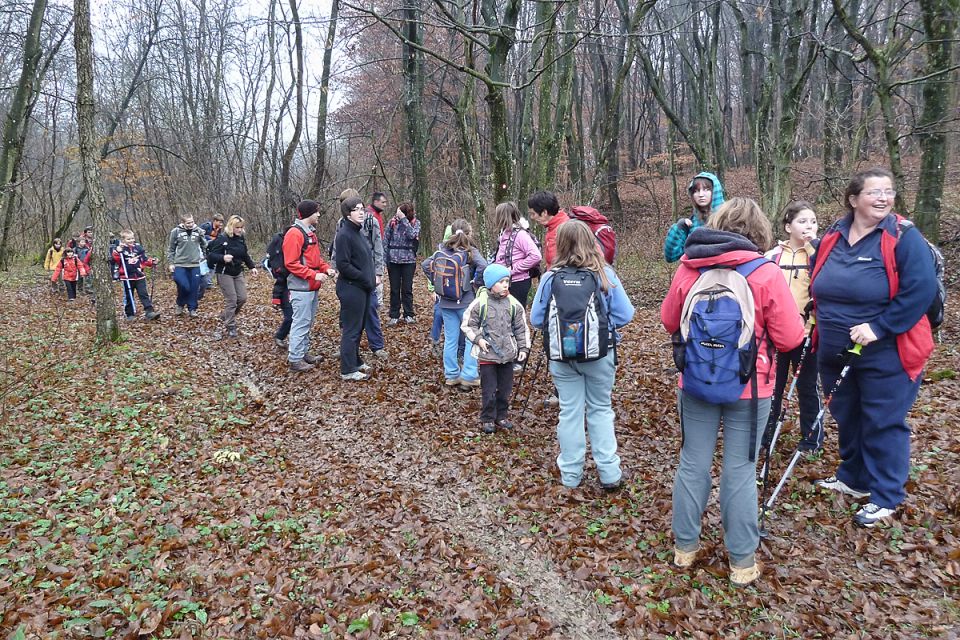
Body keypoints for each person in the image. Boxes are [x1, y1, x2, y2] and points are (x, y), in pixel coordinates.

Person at [661, 197, 804, 587]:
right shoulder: (766, 272)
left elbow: (668, 320)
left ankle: (685, 549)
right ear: (760, 231)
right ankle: (742, 561)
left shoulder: (689, 268)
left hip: (694, 382)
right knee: (739, 470)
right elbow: (791, 337)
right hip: (752, 387)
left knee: (693, 462)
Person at [810, 168, 937, 528]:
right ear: (853, 200)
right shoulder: (833, 235)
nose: (883, 198)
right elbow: (817, 275)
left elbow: (920, 291)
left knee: (882, 421)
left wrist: (879, 327)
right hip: (834, 348)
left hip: (886, 352)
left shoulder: (903, 237)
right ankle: (854, 478)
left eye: (888, 191)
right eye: (874, 192)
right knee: (847, 416)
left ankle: (886, 494)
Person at [530, 221, 635, 490]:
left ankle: (571, 475)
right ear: (591, 242)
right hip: (600, 354)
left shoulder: (550, 278)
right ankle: (610, 473)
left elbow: (536, 318)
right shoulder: (605, 274)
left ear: (560, 245)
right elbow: (625, 314)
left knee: (570, 412)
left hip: (562, 356)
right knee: (600, 409)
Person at [763, 201, 822, 452]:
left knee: (807, 387)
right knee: (772, 387)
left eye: (813, 221)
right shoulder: (773, 256)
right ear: (788, 226)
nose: (808, 226)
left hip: (806, 333)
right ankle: (765, 435)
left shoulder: (820, 254)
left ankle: (811, 439)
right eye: (802, 221)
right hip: (773, 336)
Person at [462, 264, 530, 434]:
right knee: (489, 389)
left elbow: (521, 327)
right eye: (501, 281)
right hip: (488, 356)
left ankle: (502, 415)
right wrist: (478, 339)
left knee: (505, 389)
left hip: (507, 355)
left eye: (507, 281)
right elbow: (468, 324)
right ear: (491, 284)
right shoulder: (480, 303)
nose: (506, 284)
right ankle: (487, 418)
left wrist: (523, 347)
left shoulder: (513, 304)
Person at [422, 219, 488, 390]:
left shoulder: (443, 249)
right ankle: (469, 375)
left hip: (445, 302)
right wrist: (474, 283)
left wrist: (437, 284)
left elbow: (425, 265)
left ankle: (451, 375)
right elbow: (484, 266)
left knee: (450, 339)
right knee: (471, 338)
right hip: (466, 302)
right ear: (469, 233)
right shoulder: (470, 251)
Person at [332, 191, 387, 359]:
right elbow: (337, 247)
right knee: (348, 314)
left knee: (370, 309)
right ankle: (348, 348)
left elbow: (378, 247)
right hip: (350, 279)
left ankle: (377, 346)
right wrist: (334, 268)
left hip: (367, 275)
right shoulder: (342, 224)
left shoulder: (370, 221)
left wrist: (378, 273)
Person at [284, 200, 335, 372]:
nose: (319, 215)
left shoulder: (310, 233)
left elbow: (316, 260)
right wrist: (313, 274)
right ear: (309, 214)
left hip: (312, 287)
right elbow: (290, 263)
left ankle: (303, 352)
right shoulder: (294, 234)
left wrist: (326, 269)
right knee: (301, 322)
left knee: (308, 321)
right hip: (301, 288)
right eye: (316, 212)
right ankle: (295, 359)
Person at [335, 197, 377, 380]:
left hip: (364, 287)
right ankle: (347, 369)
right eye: (356, 209)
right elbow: (343, 265)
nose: (361, 212)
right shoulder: (344, 234)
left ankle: (356, 360)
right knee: (351, 329)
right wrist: (364, 277)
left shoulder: (358, 232)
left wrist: (371, 278)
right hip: (351, 288)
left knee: (359, 327)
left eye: (362, 209)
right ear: (347, 213)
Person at [206, 215, 259, 338]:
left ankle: (226, 315)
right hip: (224, 272)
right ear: (231, 226)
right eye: (237, 227)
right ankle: (230, 325)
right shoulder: (222, 239)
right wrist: (222, 257)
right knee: (232, 300)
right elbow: (211, 256)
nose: (239, 230)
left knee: (242, 298)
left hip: (237, 271)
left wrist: (252, 267)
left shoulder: (241, 239)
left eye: (241, 227)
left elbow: (245, 254)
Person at [663, 172, 725, 263]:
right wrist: (679, 229)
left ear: (715, 191)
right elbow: (671, 256)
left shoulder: (729, 218)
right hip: (697, 273)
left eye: (706, 189)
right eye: (696, 191)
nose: (701, 194)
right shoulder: (692, 223)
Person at [493, 201, 542, 307]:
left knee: (516, 316)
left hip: (517, 283)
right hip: (506, 282)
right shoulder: (504, 233)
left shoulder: (520, 235)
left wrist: (512, 270)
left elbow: (536, 256)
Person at [112, 230, 160, 321]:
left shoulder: (138, 248)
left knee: (143, 293)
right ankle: (129, 313)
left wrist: (152, 262)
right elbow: (116, 260)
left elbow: (144, 259)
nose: (131, 240)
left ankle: (149, 312)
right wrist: (117, 252)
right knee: (129, 295)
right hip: (127, 277)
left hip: (139, 275)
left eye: (132, 238)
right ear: (123, 240)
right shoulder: (120, 249)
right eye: (128, 239)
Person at [385, 202, 421, 323]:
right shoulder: (392, 223)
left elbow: (412, 235)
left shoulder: (415, 223)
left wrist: (404, 220)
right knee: (394, 289)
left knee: (407, 288)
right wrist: (385, 259)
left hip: (409, 260)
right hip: (393, 260)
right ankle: (394, 315)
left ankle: (408, 314)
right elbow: (386, 240)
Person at [167, 214, 208, 317]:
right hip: (180, 264)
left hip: (195, 264)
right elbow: (171, 248)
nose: (190, 225)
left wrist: (206, 257)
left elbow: (204, 245)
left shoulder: (198, 231)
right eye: (188, 223)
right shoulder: (176, 232)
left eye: (192, 222)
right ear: (183, 223)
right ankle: (180, 303)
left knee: (194, 287)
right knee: (184, 285)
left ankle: (192, 308)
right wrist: (171, 263)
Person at [527, 190, 569, 270]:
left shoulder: (566, 229)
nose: (532, 217)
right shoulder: (553, 227)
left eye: (533, 214)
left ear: (544, 212)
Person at [198, 213, 225, 299]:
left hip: (212, 249)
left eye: (222, 222)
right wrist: (209, 240)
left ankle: (208, 283)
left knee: (213, 264)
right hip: (202, 249)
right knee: (204, 266)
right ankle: (201, 284)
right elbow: (199, 235)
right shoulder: (206, 226)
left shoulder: (219, 229)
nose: (221, 224)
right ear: (214, 221)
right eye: (219, 222)